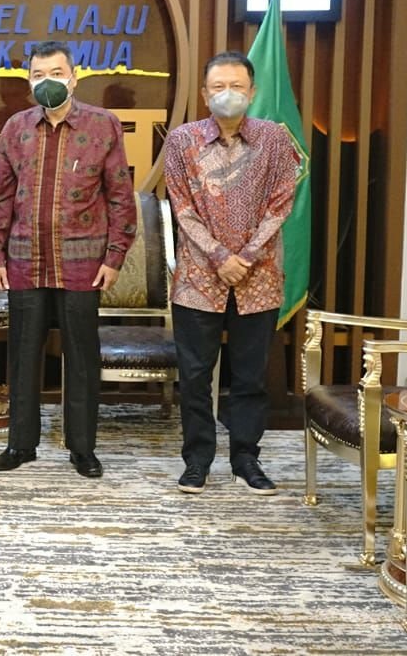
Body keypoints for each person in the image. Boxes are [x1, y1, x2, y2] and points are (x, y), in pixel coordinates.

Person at [0, 40, 135, 479]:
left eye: (56, 73)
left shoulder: (103, 125)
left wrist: (116, 255)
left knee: (82, 357)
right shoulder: (15, 127)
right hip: (23, 260)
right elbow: (2, 196)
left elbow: (120, 197)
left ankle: (82, 448)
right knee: (22, 355)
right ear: (28, 80)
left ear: (74, 77)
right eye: (38, 75)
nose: (47, 81)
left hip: (83, 262)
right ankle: (21, 444)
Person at [163, 50, 299, 496]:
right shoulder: (182, 141)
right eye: (218, 86)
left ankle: (246, 459)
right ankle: (197, 460)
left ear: (252, 91)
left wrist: (247, 255)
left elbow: (282, 203)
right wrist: (221, 256)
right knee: (195, 376)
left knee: (250, 377)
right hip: (198, 278)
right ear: (205, 94)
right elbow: (182, 207)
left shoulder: (275, 139)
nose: (228, 94)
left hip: (259, 278)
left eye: (237, 86)